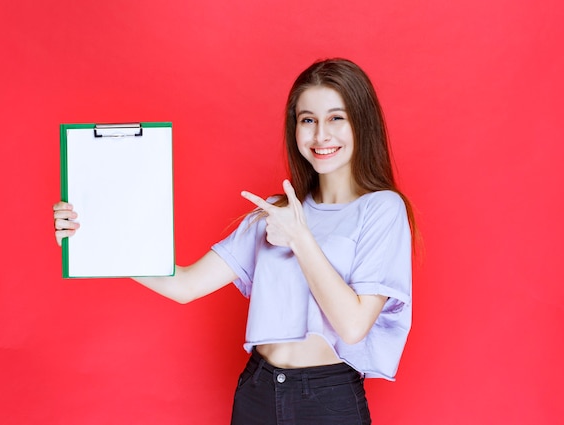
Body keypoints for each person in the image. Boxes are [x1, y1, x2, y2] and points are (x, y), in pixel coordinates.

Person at [53, 58, 416, 425]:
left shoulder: (382, 209)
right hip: (257, 391)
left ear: (361, 123)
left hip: (327, 400)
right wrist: (92, 238)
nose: (321, 135)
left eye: (336, 118)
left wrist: (300, 238)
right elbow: (184, 284)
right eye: (308, 120)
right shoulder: (275, 212)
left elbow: (353, 327)